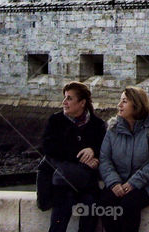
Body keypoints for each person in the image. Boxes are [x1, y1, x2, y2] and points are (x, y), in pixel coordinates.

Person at [37, 81, 107, 232]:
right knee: (62, 207)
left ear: (82, 103)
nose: (64, 102)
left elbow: (105, 149)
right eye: (64, 98)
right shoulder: (55, 121)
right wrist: (82, 156)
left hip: (86, 182)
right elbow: (48, 148)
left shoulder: (97, 125)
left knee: (91, 206)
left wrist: (93, 151)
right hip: (62, 181)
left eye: (69, 98)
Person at [98, 86, 149, 232]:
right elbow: (104, 159)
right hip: (118, 183)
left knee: (129, 204)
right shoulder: (113, 129)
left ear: (136, 105)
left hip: (146, 185)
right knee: (105, 203)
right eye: (120, 101)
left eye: (124, 101)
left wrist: (134, 183)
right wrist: (114, 182)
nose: (119, 105)